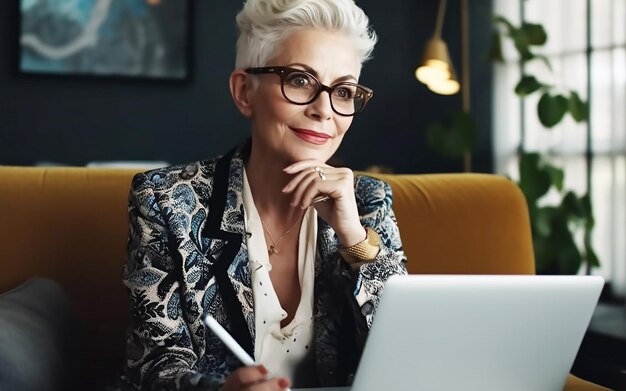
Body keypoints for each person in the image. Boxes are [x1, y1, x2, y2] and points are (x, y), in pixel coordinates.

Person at [121, 0, 407, 389]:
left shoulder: (368, 201)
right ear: (244, 92)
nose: (324, 110)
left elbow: (406, 353)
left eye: (343, 91)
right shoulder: (166, 200)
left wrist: (354, 238)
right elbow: (153, 366)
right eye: (300, 80)